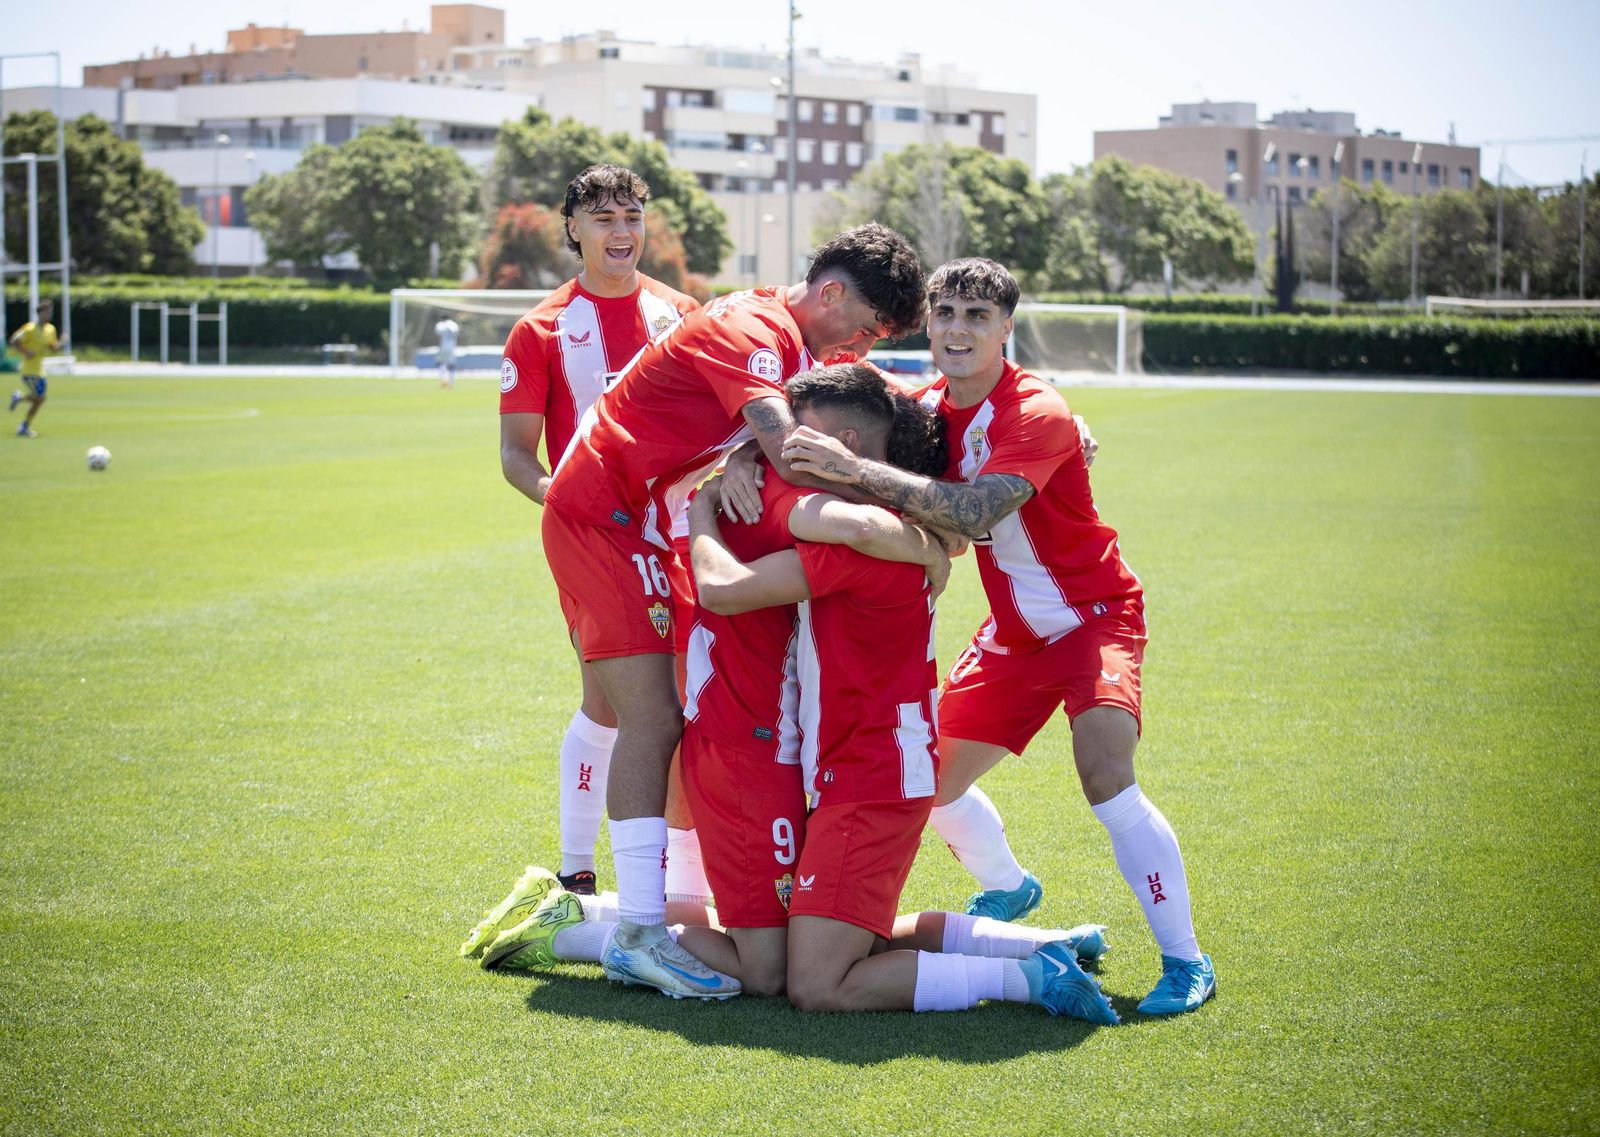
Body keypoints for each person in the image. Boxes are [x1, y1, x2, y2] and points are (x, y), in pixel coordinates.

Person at [481, 365, 1116, 1024]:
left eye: (792, 435)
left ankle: (1031, 964)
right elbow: (886, 481)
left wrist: (708, 501)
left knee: (810, 969)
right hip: (788, 753)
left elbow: (771, 562)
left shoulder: (835, 519)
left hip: (855, 767)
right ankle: (1038, 949)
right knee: (809, 953)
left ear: (842, 445)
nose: (777, 441)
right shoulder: (831, 509)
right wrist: (930, 540)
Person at [782, 259, 1215, 1016]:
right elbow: (830, 389)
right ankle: (1010, 885)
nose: (956, 329)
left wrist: (857, 470)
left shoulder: (1038, 411)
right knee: (930, 778)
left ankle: (1186, 961)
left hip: (1094, 619)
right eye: (945, 312)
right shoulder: (924, 408)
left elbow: (975, 510)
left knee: (1105, 776)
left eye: (976, 316)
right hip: (1013, 635)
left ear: (1005, 328)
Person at [534, 225, 928, 999]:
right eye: (866, 328)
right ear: (832, 294)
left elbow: (845, 411)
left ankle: (622, 912)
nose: (862, 346)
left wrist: (744, 451)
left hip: (647, 517)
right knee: (651, 718)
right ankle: (638, 930)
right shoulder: (751, 329)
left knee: (681, 712)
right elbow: (797, 452)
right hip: (599, 514)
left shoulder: (806, 346)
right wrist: (766, 454)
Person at [460, 164, 702, 962]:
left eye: (631, 214)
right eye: (601, 217)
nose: (619, 229)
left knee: (614, 701)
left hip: (679, 539)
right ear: (572, 229)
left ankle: (578, 880)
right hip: (596, 543)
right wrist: (575, 504)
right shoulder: (540, 330)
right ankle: (622, 886)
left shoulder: (680, 314)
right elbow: (513, 455)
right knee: (649, 706)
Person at [9, 298, 64, 439]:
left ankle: (21, 406)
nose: (48, 315)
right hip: (28, 371)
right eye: (46, 312)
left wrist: (62, 342)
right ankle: (23, 425)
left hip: (40, 370)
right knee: (40, 397)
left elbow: (53, 349)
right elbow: (14, 340)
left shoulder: (50, 329)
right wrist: (26, 352)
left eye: (50, 312)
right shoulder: (30, 328)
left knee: (39, 400)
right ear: (39, 313)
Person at [433, 316, 460, 388]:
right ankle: (451, 382)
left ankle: (444, 380)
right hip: (452, 347)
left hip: (443, 346)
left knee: (440, 363)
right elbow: (456, 332)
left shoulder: (440, 324)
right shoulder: (454, 324)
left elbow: (438, 332)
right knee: (451, 365)